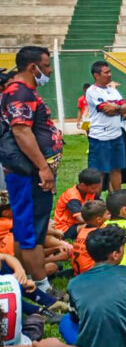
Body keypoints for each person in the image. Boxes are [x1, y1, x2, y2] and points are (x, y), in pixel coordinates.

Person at [1, 47, 64, 293]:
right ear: (32, 67)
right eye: (46, 66)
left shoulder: (24, 91)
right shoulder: (19, 92)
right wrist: (43, 168)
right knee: (32, 230)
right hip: (28, 174)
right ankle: (41, 288)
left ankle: (24, 275)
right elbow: (21, 131)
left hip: (29, 173)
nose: (47, 71)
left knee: (26, 226)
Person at [86, 61, 126, 193]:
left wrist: (116, 107)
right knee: (99, 172)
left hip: (116, 135)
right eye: (106, 72)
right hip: (100, 138)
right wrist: (119, 108)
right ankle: (97, 201)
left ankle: (117, 199)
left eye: (110, 72)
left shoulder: (113, 90)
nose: (109, 75)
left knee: (116, 169)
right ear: (96, 75)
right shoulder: (92, 91)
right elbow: (106, 110)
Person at [54, 168, 103, 241]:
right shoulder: (72, 197)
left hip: (78, 224)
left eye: (97, 188)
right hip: (64, 229)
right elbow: (81, 219)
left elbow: (103, 207)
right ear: (82, 185)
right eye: (93, 188)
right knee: (93, 226)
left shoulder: (91, 192)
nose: (96, 191)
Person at [71, 200, 108, 276]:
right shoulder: (98, 234)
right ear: (99, 220)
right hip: (91, 273)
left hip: (78, 272)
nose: (109, 216)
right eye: (108, 214)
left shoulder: (83, 231)